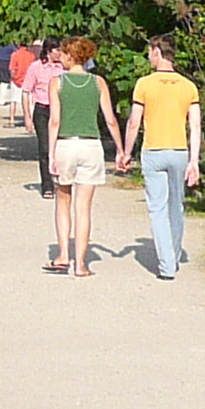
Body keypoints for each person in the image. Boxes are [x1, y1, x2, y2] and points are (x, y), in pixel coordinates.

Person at [117, 36, 204, 281]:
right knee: (176, 206)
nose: (148, 56)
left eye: (149, 52)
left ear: (157, 52)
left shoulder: (144, 84)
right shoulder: (188, 86)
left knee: (157, 209)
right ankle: (173, 256)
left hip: (153, 150)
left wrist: (126, 152)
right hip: (179, 151)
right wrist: (194, 160)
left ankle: (167, 265)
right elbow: (195, 126)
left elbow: (134, 122)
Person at [44, 37, 122, 276]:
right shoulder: (98, 83)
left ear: (69, 56)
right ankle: (81, 263)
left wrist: (50, 153)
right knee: (84, 208)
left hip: (66, 144)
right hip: (91, 146)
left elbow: (54, 120)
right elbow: (110, 119)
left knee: (63, 201)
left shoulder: (57, 83)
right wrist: (120, 149)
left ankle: (63, 255)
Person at [16, 40, 62, 199]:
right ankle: (47, 185)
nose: (60, 53)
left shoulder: (63, 68)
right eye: (57, 49)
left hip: (60, 110)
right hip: (42, 109)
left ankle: (62, 182)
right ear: (49, 50)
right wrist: (27, 116)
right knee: (44, 148)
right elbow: (26, 91)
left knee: (61, 146)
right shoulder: (36, 67)